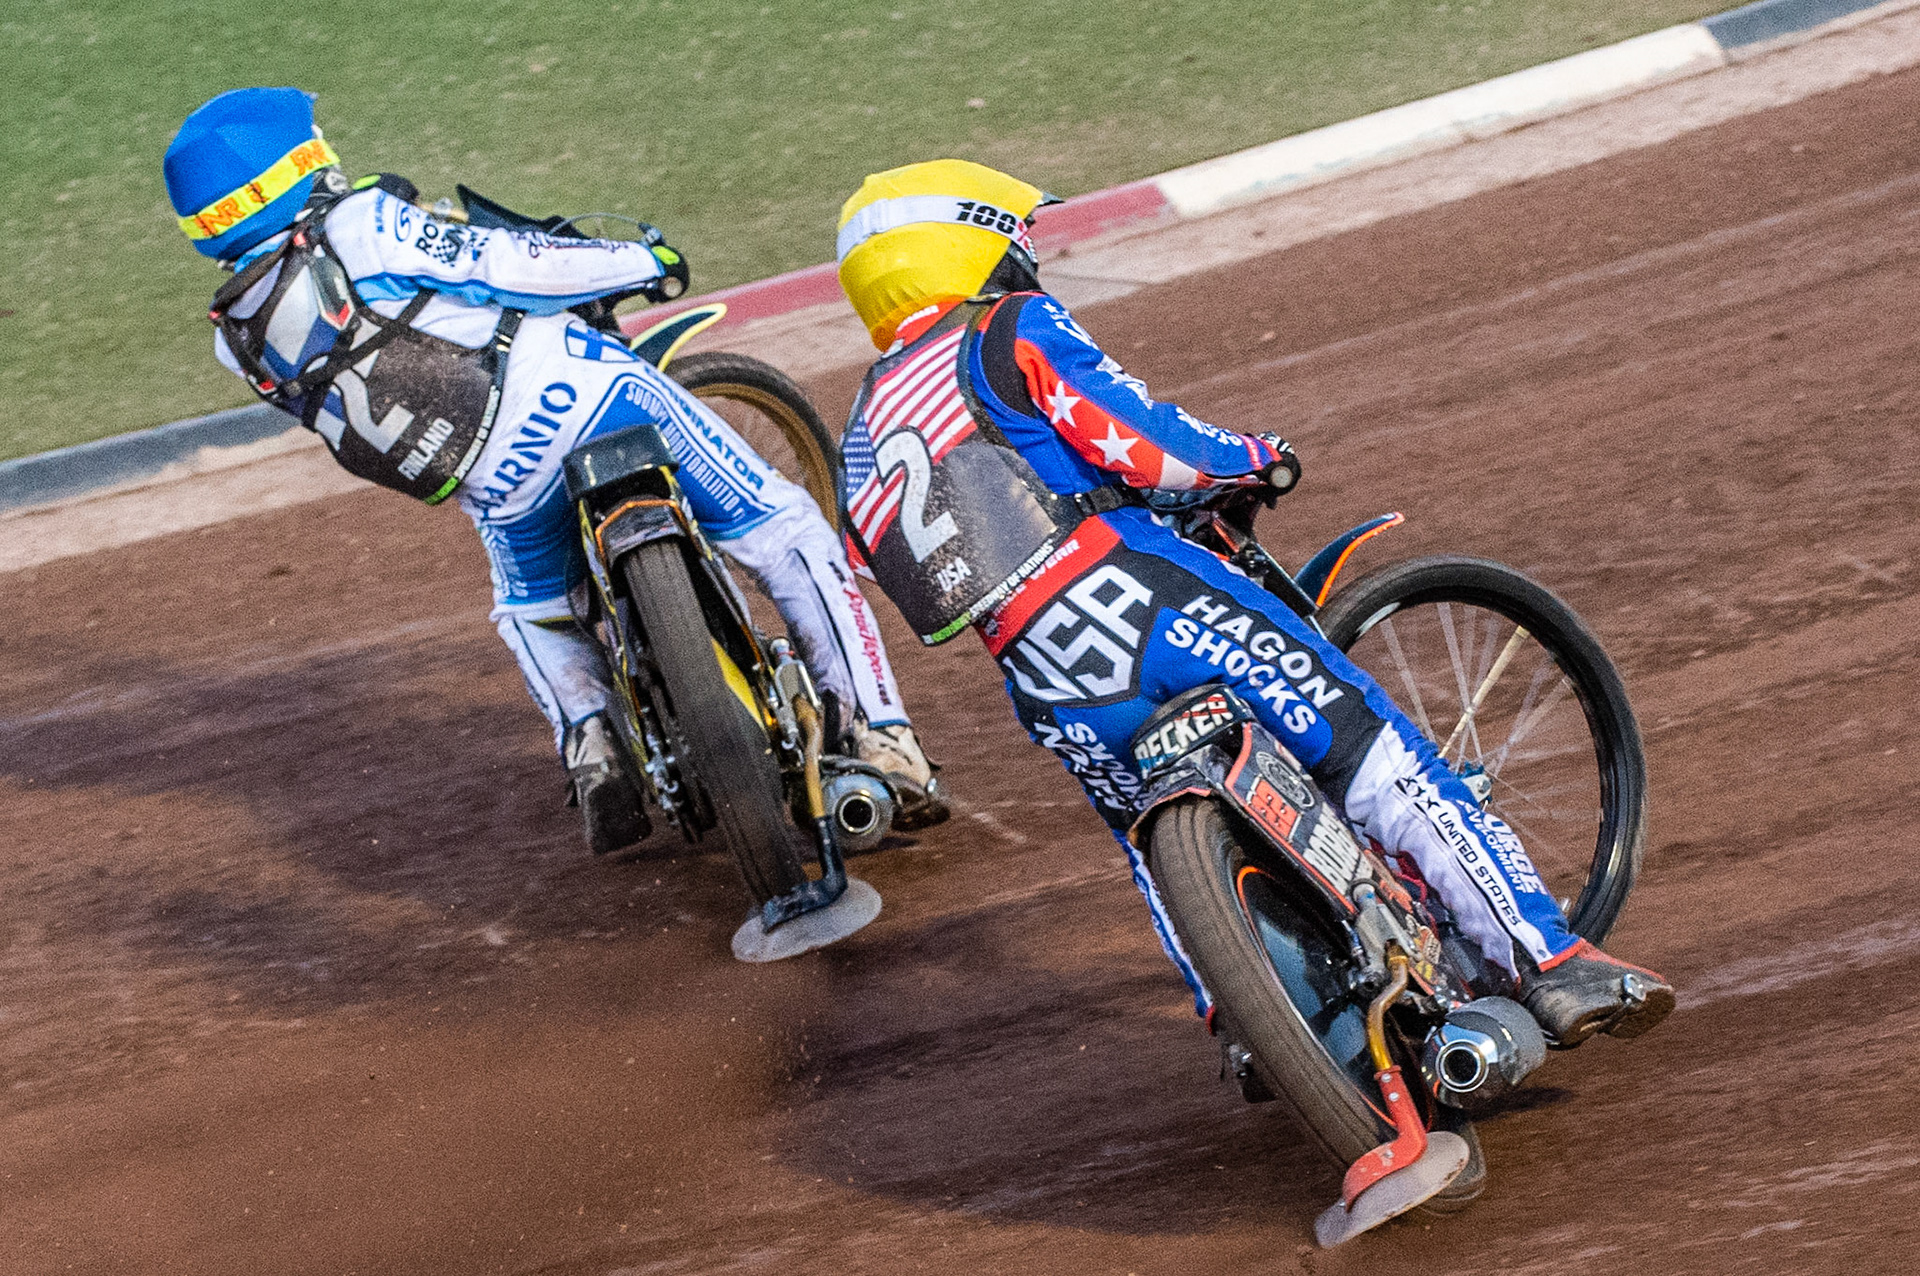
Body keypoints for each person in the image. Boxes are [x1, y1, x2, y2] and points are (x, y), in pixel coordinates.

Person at [830, 158, 1672, 1045]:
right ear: (967, 246)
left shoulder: (858, 441)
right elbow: (1149, 448)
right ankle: (1549, 959)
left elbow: (915, 576)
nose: (1028, 255)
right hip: (1156, 600)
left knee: (1151, 849)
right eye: (1017, 236)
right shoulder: (1006, 330)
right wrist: (1254, 455)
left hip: (1045, 677)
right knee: (1369, 754)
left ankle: (1242, 1024)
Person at [162, 87, 947, 855]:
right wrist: (638, 260)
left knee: (533, 610)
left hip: (499, 488)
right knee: (785, 530)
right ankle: (883, 738)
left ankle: (591, 740)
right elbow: (504, 263)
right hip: (596, 400)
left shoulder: (235, 339)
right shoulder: (359, 224)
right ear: (297, 166)